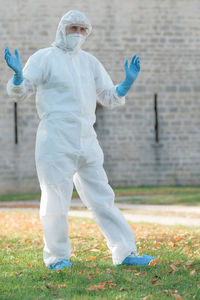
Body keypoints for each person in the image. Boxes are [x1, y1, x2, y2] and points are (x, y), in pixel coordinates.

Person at [5, 10, 155, 270]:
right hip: (55, 137)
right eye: (73, 28)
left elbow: (109, 96)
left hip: (87, 137)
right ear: (62, 28)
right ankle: (57, 258)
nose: (78, 34)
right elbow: (21, 92)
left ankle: (125, 252)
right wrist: (18, 76)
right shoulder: (44, 58)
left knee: (102, 196)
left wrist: (126, 83)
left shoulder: (90, 62)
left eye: (83, 30)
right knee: (55, 199)